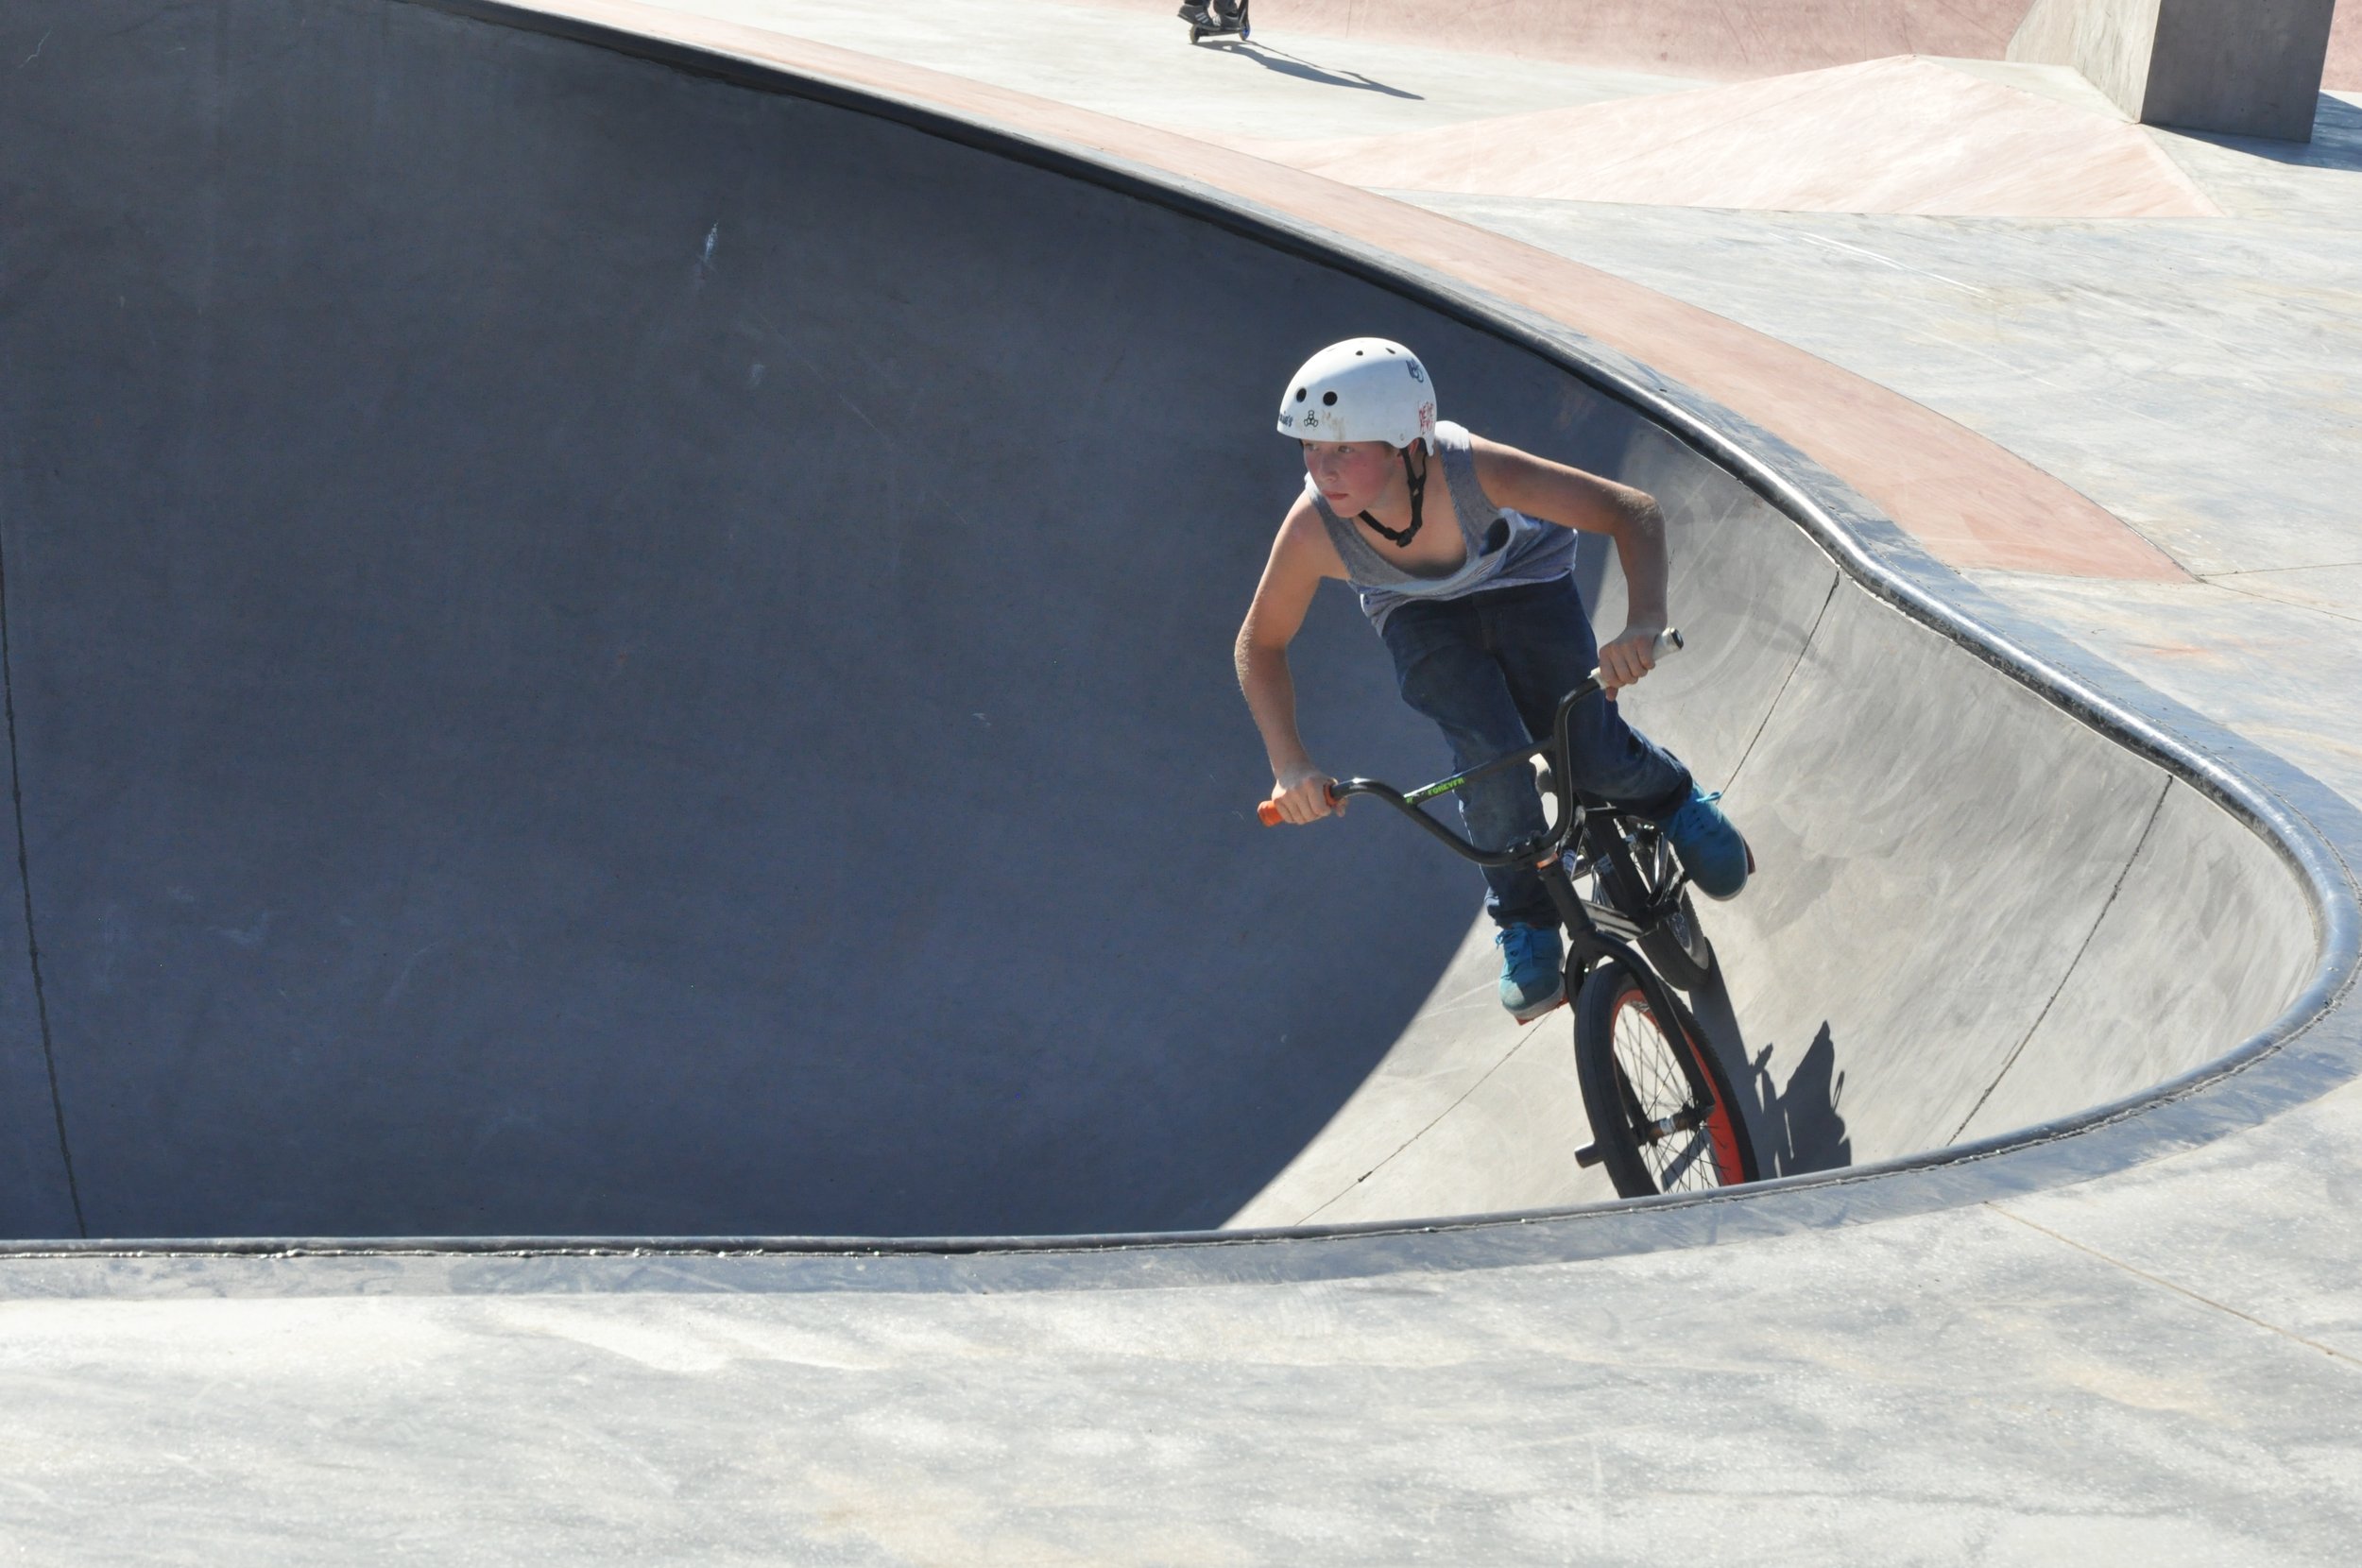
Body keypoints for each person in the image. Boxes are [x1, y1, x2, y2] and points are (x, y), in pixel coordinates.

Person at [1236, 338, 1750, 1022]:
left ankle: (1672, 799)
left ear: (1405, 444)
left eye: (1343, 450)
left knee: (1583, 742)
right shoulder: (1313, 529)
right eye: (1309, 448)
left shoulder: (1474, 472)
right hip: (1418, 616)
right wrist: (1288, 764)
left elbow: (1633, 510)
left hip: (1524, 582)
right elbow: (1260, 643)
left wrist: (1642, 621)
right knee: (1489, 760)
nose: (1320, 469)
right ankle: (1525, 919)